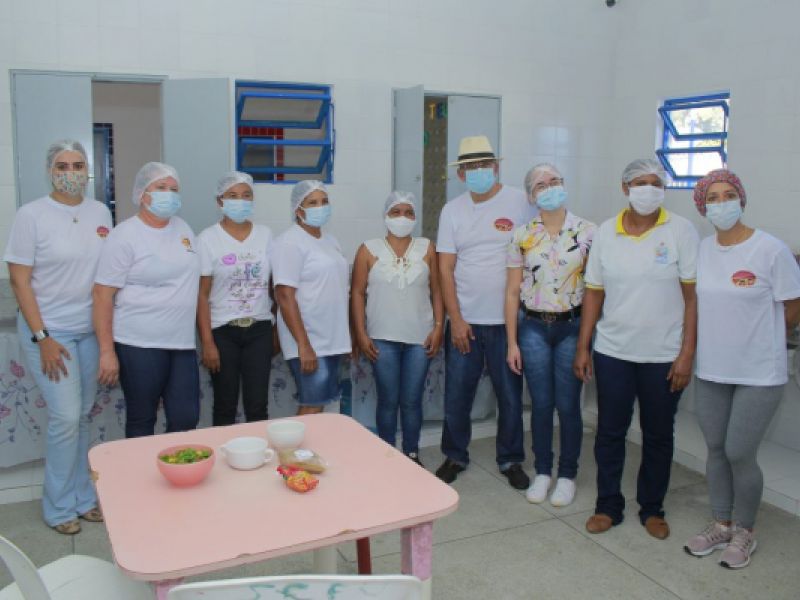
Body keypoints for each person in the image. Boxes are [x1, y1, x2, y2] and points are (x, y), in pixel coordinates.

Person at [574, 158, 699, 540]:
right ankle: (607, 505)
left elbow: (692, 298)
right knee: (610, 431)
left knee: (658, 434)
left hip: (663, 355)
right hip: (613, 351)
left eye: (656, 183)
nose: (649, 190)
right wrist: (583, 346)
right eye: (641, 183)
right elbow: (594, 292)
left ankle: (652, 508)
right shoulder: (606, 232)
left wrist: (686, 354)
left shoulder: (681, 230)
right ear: (625, 188)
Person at [683, 169, 800, 568]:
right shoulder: (703, 250)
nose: (721, 203)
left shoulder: (770, 250)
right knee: (716, 448)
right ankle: (721, 523)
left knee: (739, 451)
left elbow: (793, 303)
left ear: (741, 199)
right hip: (713, 369)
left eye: (728, 194)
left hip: (759, 373)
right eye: (712, 198)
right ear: (703, 208)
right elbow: (695, 303)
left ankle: (745, 530)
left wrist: (761, 339)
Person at [3, 139, 110, 534]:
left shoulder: (100, 212)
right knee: (64, 417)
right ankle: (59, 508)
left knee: (80, 416)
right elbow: (19, 280)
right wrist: (42, 337)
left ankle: (82, 498)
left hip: (88, 331)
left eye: (78, 165)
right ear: (50, 171)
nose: (71, 173)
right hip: (50, 332)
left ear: (88, 170)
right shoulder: (32, 215)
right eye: (62, 166)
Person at [435, 135, 534, 489]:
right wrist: (456, 319)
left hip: (509, 323)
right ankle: (454, 455)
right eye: (470, 167)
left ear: (495, 168)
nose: (478, 171)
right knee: (457, 395)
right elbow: (445, 268)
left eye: (484, 165)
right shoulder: (452, 211)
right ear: (461, 174)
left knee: (510, 396)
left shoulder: (520, 202)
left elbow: (537, 248)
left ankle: (511, 459)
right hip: (466, 321)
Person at [506, 163, 596, 507]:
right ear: (531, 196)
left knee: (568, 405)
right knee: (541, 404)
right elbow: (512, 292)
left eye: (555, 181)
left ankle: (567, 474)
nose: (549, 187)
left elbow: (595, 291)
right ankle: (543, 471)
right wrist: (512, 342)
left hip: (572, 327)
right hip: (533, 328)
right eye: (541, 185)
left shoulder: (588, 232)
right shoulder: (521, 235)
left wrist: (586, 341)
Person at [93, 162, 200, 438]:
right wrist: (106, 351)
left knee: (186, 417)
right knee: (142, 417)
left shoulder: (184, 229)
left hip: (181, 342)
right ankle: (138, 468)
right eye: (161, 187)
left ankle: (173, 465)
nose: (169, 194)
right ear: (142, 194)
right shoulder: (124, 235)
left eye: (174, 189)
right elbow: (102, 295)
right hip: (139, 343)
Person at [351, 191, 444, 465]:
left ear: (415, 217)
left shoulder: (427, 248)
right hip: (381, 337)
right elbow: (357, 293)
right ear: (385, 216)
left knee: (412, 400)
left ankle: (412, 453)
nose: (402, 217)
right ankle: (388, 456)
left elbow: (437, 291)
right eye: (396, 212)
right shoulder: (368, 249)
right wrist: (361, 333)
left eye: (408, 212)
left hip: (420, 338)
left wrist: (439, 326)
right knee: (388, 400)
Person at [197, 172, 274, 426]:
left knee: (258, 405)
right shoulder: (207, 239)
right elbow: (202, 295)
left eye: (246, 195)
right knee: (225, 405)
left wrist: (276, 330)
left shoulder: (266, 235)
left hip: (259, 329)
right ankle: (223, 452)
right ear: (220, 201)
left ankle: (258, 451)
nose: (240, 201)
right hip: (223, 332)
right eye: (232, 195)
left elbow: (274, 286)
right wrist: (207, 342)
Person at [272, 181, 350, 415]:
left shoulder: (330, 241)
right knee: (313, 404)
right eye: (313, 202)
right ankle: (296, 443)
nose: (320, 207)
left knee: (322, 403)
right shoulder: (289, 242)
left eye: (324, 201)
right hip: (309, 339)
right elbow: (284, 295)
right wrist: (303, 345)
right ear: (298, 210)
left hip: (331, 338)